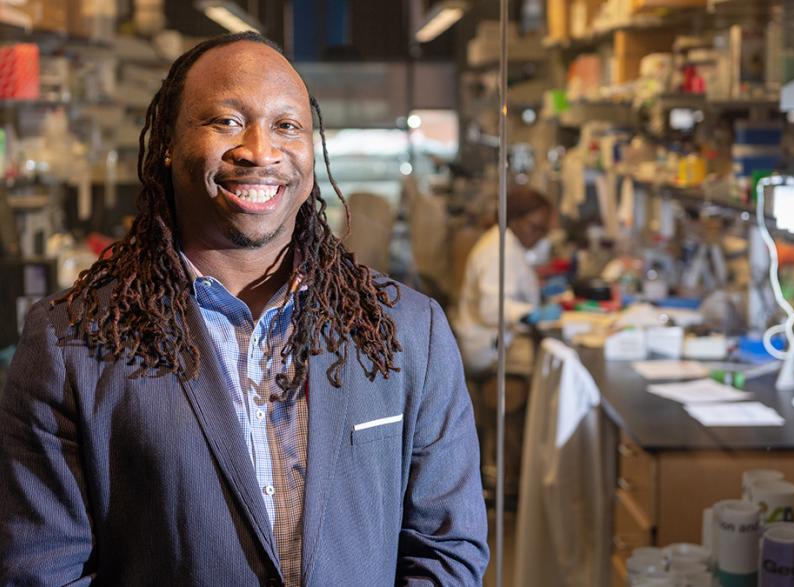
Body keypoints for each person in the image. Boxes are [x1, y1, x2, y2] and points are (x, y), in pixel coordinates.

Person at [0, 32, 488, 586]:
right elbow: (43, 572)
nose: (260, 150)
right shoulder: (73, 341)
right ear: (167, 142)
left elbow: (446, 549)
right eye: (226, 121)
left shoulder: (405, 330)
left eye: (287, 126)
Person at [453, 186, 556, 498]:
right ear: (517, 220)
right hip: (487, 351)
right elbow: (491, 307)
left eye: (544, 229)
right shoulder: (498, 250)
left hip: (495, 342)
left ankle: (521, 475)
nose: (539, 236)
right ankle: (517, 480)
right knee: (545, 381)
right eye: (536, 228)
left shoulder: (506, 244)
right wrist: (531, 314)